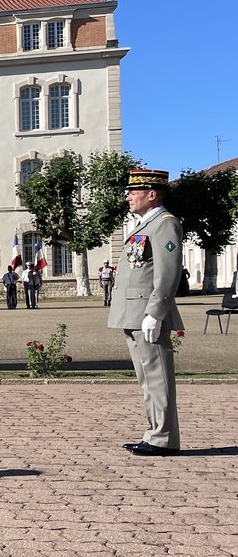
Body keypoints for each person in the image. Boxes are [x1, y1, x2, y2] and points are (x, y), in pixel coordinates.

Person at [108, 169, 184, 457]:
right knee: (147, 379)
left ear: (152, 194)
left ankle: (164, 438)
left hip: (147, 313)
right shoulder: (144, 224)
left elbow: (168, 272)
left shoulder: (164, 224)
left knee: (158, 377)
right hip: (134, 312)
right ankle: (155, 434)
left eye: (134, 191)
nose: (128, 196)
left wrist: (156, 311)